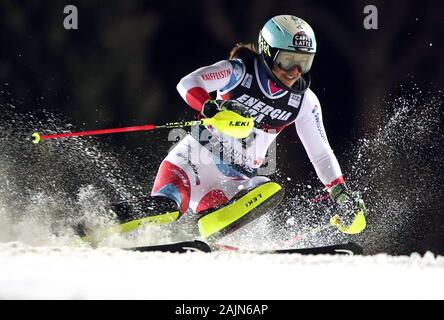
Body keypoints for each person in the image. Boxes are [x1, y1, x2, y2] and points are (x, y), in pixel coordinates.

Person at [114, 15, 366, 241]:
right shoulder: (239, 72)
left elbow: (320, 153)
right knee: (167, 209)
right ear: (268, 52)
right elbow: (188, 82)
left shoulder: (304, 101)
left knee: (268, 190)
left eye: (304, 62)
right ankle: (96, 225)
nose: (295, 71)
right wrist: (211, 108)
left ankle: (216, 236)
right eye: (289, 60)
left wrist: (340, 194)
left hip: (232, 182)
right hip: (191, 162)